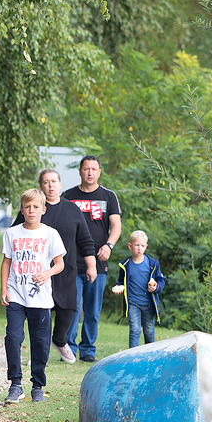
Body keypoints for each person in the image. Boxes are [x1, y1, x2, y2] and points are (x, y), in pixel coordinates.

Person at [12, 169, 96, 364]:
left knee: (69, 309)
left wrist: (91, 265)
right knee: (40, 316)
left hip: (65, 271)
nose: (50, 185)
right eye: (46, 182)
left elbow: (85, 240)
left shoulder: (72, 210)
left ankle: (59, 340)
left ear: (60, 184)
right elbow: (15, 236)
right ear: (41, 186)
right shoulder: (31, 210)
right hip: (37, 274)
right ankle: (38, 355)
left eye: (54, 181)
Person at [1, 189, 66, 404]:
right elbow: (7, 262)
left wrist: (46, 273)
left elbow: (59, 264)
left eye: (36, 207)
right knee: (13, 337)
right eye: (27, 207)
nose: (31, 211)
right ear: (22, 209)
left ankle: (37, 386)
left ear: (43, 210)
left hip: (41, 299)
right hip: (16, 295)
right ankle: (15, 384)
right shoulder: (12, 233)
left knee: (40, 342)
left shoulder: (50, 234)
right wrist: (4, 288)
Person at [62, 155, 122, 362]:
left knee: (92, 309)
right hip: (71, 261)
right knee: (71, 307)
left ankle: (88, 350)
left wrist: (109, 245)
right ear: (80, 171)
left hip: (98, 261)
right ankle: (68, 348)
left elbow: (116, 225)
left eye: (93, 169)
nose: (89, 172)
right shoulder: (67, 196)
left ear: (99, 172)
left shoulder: (108, 196)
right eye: (86, 169)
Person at [111, 230, 166, 348]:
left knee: (149, 331)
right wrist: (119, 287)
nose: (139, 248)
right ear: (130, 246)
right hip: (133, 304)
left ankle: (149, 355)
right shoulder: (125, 265)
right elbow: (121, 281)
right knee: (135, 330)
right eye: (136, 245)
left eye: (142, 246)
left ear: (146, 247)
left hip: (149, 304)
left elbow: (161, 280)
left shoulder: (153, 264)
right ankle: (132, 356)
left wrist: (155, 287)